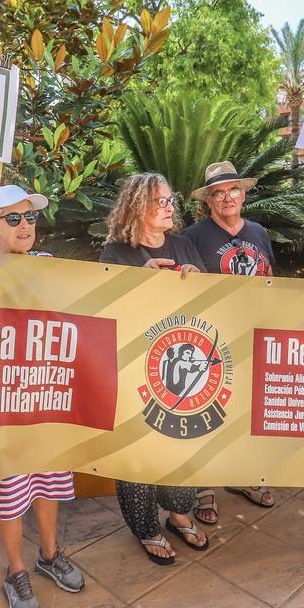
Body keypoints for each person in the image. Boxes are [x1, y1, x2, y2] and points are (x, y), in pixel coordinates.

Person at [0, 184, 86, 608]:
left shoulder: (50, 265)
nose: (25, 226)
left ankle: (49, 554)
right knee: (11, 488)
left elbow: (95, 300)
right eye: (14, 218)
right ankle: (16, 570)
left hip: (48, 393)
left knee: (50, 481)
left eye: (31, 217)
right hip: (5, 401)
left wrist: (147, 272)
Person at [99, 172, 209, 567]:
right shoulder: (115, 253)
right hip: (134, 370)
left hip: (181, 367)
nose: (169, 207)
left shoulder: (183, 245)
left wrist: (200, 283)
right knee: (136, 453)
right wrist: (139, 282)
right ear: (136, 206)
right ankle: (146, 528)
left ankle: (180, 512)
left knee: (182, 442)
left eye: (170, 200)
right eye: (160, 201)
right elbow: (106, 314)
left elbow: (206, 306)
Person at [182, 161, 275, 516]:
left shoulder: (258, 232)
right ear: (208, 200)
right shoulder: (193, 237)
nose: (227, 198)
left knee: (248, 410)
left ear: (244, 192)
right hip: (211, 340)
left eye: (233, 190)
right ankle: (205, 488)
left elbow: (271, 278)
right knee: (209, 411)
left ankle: (245, 475)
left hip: (253, 333)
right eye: (218, 193)